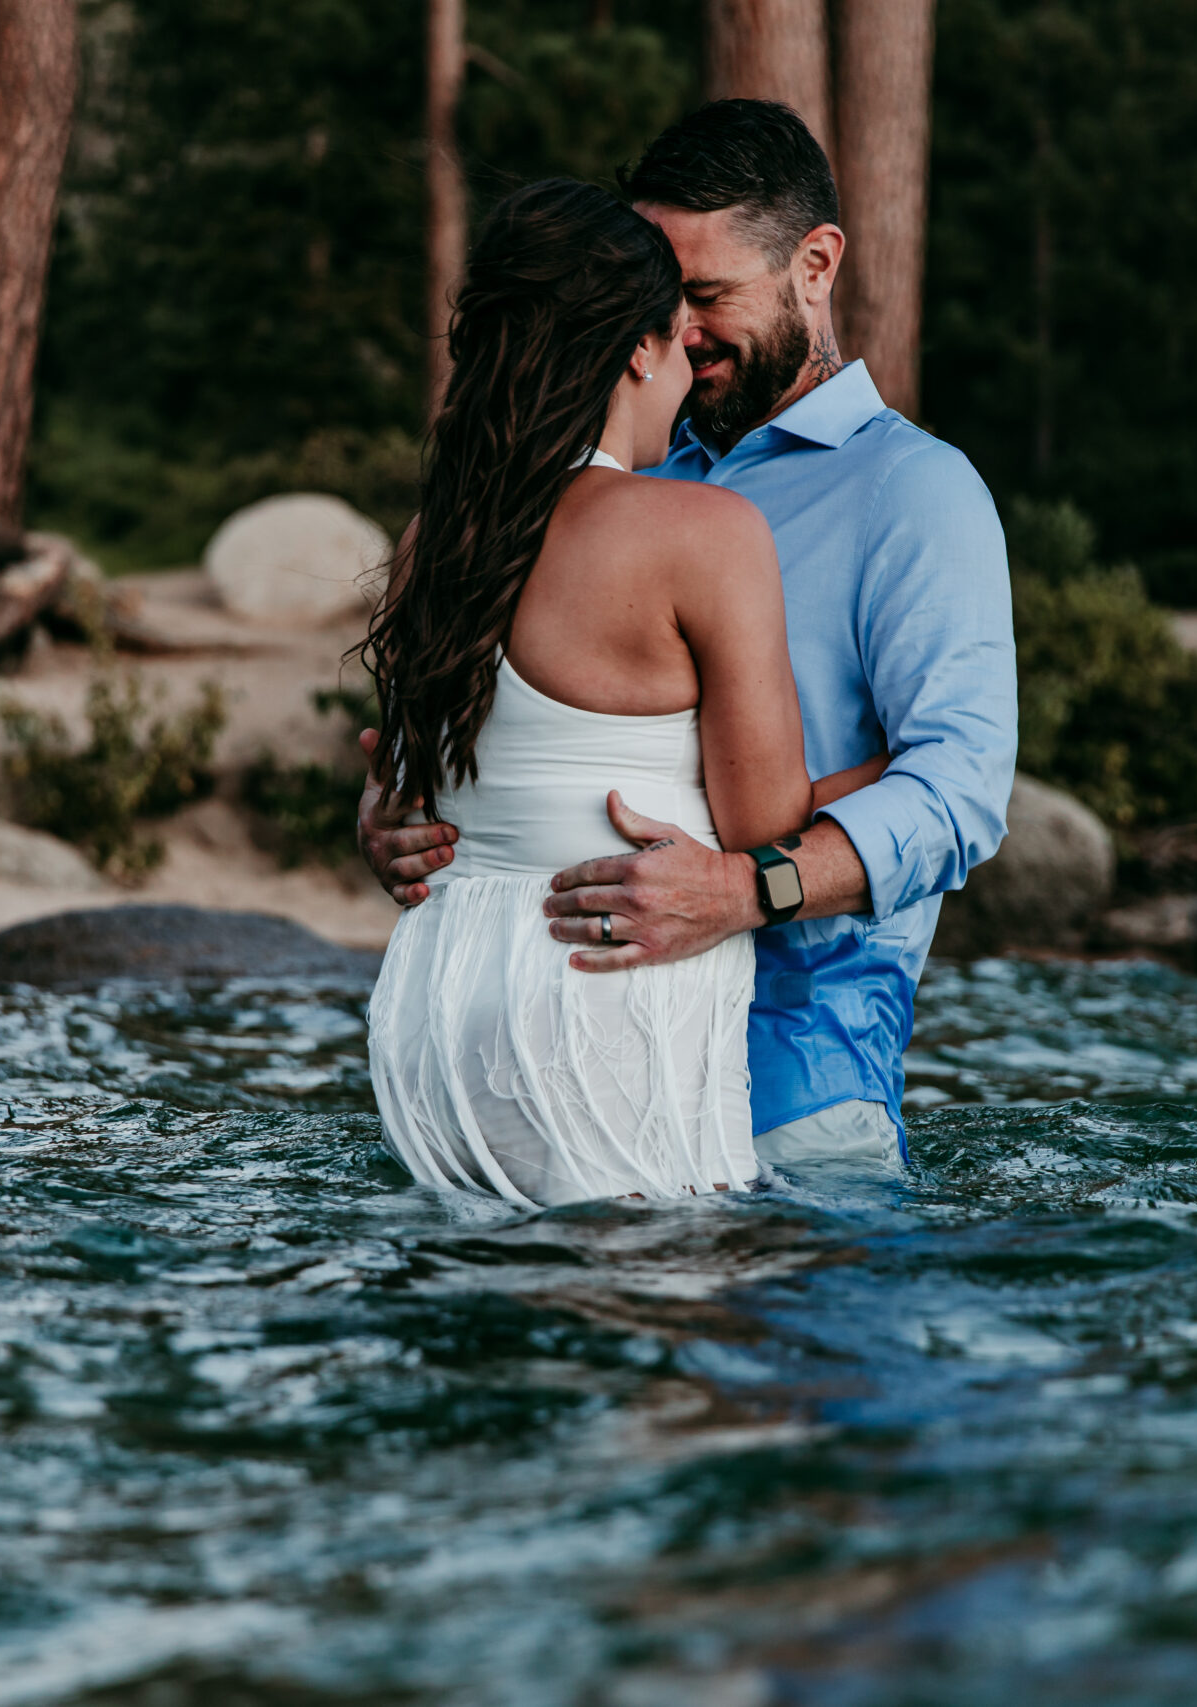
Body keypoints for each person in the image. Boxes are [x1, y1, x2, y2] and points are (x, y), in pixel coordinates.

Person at [360, 101, 1018, 1177]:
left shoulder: (916, 492)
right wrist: (404, 814)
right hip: (584, 1054)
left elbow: (960, 791)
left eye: (705, 296)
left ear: (815, 264)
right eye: (661, 304)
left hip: (797, 1084)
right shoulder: (620, 480)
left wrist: (746, 889)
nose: (680, 332)